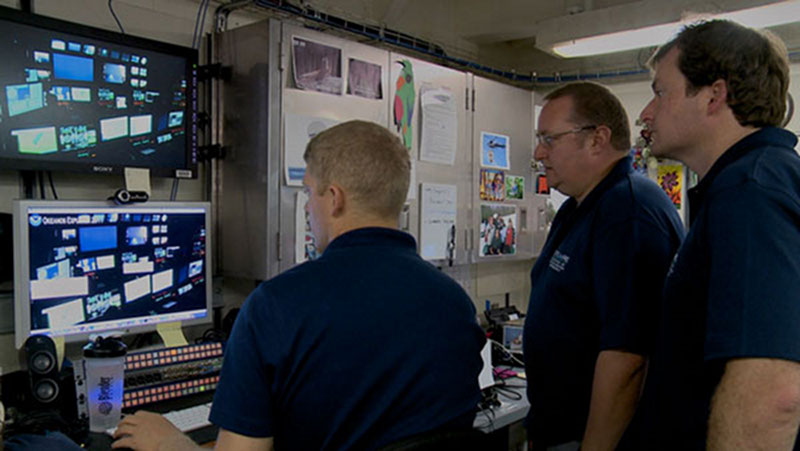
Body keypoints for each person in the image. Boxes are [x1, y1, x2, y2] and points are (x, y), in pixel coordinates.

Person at [111, 120, 486, 451]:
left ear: (334, 199)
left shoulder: (275, 306)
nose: (307, 209)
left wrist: (169, 442)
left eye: (309, 193)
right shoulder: (455, 302)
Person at [636, 20, 800, 450]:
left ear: (714, 95)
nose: (645, 114)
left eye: (660, 92)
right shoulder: (759, 181)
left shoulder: (751, 193)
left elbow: (773, 397)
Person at [524, 82, 684, 450]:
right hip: (559, 430)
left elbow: (627, 357)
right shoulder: (579, 207)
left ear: (597, 139)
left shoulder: (627, 211)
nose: (538, 152)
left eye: (550, 139)